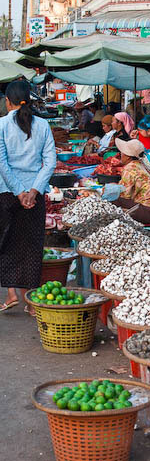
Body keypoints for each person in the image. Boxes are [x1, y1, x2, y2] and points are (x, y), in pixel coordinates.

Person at [0, 80, 56, 314]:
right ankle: (31, 302)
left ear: (7, 101)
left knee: (7, 243)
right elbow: (50, 161)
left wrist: (19, 191)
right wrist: (33, 191)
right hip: (35, 194)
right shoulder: (42, 125)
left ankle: (12, 293)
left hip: (7, 194)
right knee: (31, 246)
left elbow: (2, 163)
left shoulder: (1, 124)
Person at [113, 138, 150, 224]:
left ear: (128, 156)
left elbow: (124, 194)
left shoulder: (130, 168)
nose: (120, 154)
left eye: (122, 152)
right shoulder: (141, 164)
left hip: (146, 212)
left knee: (114, 197)